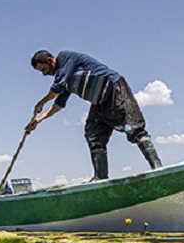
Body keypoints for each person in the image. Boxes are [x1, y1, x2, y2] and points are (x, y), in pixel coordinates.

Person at [25, 49, 162, 181]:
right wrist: (38, 120)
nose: (44, 74)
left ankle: (157, 167)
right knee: (93, 134)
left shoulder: (65, 58)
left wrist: (41, 102)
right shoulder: (65, 81)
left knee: (133, 128)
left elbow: (56, 88)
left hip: (113, 88)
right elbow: (58, 105)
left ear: (50, 60)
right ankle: (100, 177)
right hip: (99, 102)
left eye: (44, 69)